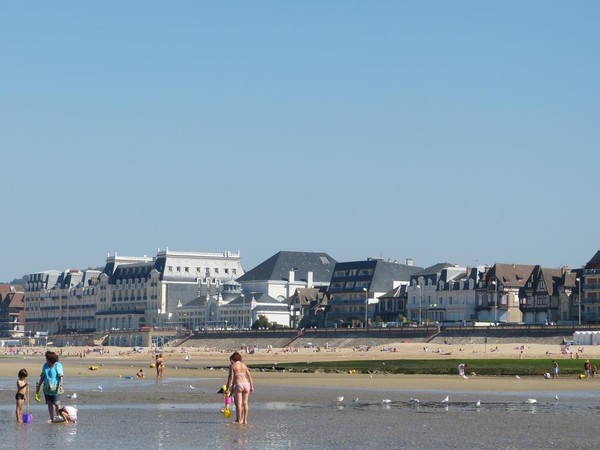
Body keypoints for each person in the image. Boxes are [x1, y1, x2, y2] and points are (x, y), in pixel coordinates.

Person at [226, 351, 254, 424]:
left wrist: (228, 389)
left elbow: (231, 378)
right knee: (245, 403)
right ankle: (245, 420)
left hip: (239, 384)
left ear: (233, 359)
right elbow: (249, 376)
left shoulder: (233, 366)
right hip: (246, 384)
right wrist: (252, 386)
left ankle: (239, 420)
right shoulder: (244, 365)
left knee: (238, 404)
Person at [35, 351, 64, 421]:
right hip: (47, 389)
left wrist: (60, 385)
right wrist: (39, 386)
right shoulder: (45, 365)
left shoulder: (58, 365)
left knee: (57, 404)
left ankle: (59, 417)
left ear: (50, 359)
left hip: (56, 389)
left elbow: (61, 376)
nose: (45, 359)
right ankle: (52, 418)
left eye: (46, 358)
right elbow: (43, 376)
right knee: (49, 404)